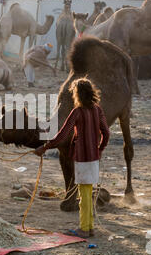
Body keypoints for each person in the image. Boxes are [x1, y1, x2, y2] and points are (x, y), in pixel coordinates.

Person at [34, 77, 110, 238]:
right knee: (87, 192)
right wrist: (100, 149)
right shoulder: (97, 110)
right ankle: (89, 227)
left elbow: (62, 135)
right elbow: (106, 132)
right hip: (94, 157)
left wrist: (45, 147)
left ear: (78, 94)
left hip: (82, 158)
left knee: (84, 195)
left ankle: (84, 228)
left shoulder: (77, 112)